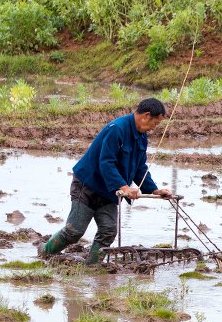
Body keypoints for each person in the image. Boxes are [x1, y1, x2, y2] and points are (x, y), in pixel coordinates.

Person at [38, 97, 172, 264]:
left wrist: (154, 190)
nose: (154, 128)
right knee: (75, 231)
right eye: (156, 123)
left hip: (109, 191)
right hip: (87, 185)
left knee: (108, 230)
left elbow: (140, 168)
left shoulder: (142, 137)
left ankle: (91, 267)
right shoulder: (117, 129)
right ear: (146, 116)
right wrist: (124, 187)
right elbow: (106, 162)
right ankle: (44, 251)